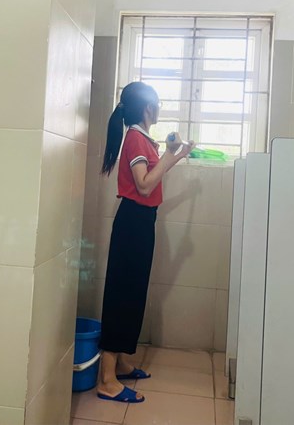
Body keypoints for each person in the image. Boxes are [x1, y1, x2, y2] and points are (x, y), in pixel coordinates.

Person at [96, 81, 194, 403]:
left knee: (133, 292)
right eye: (158, 103)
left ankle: (121, 363)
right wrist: (168, 153)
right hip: (133, 223)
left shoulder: (141, 138)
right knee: (123, 294)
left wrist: (178, 154)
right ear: (149, 108)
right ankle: (106, 379)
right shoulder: (137, 139)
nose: (160, 108)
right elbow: (144, 186)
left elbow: (153, 176)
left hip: (140, 222)